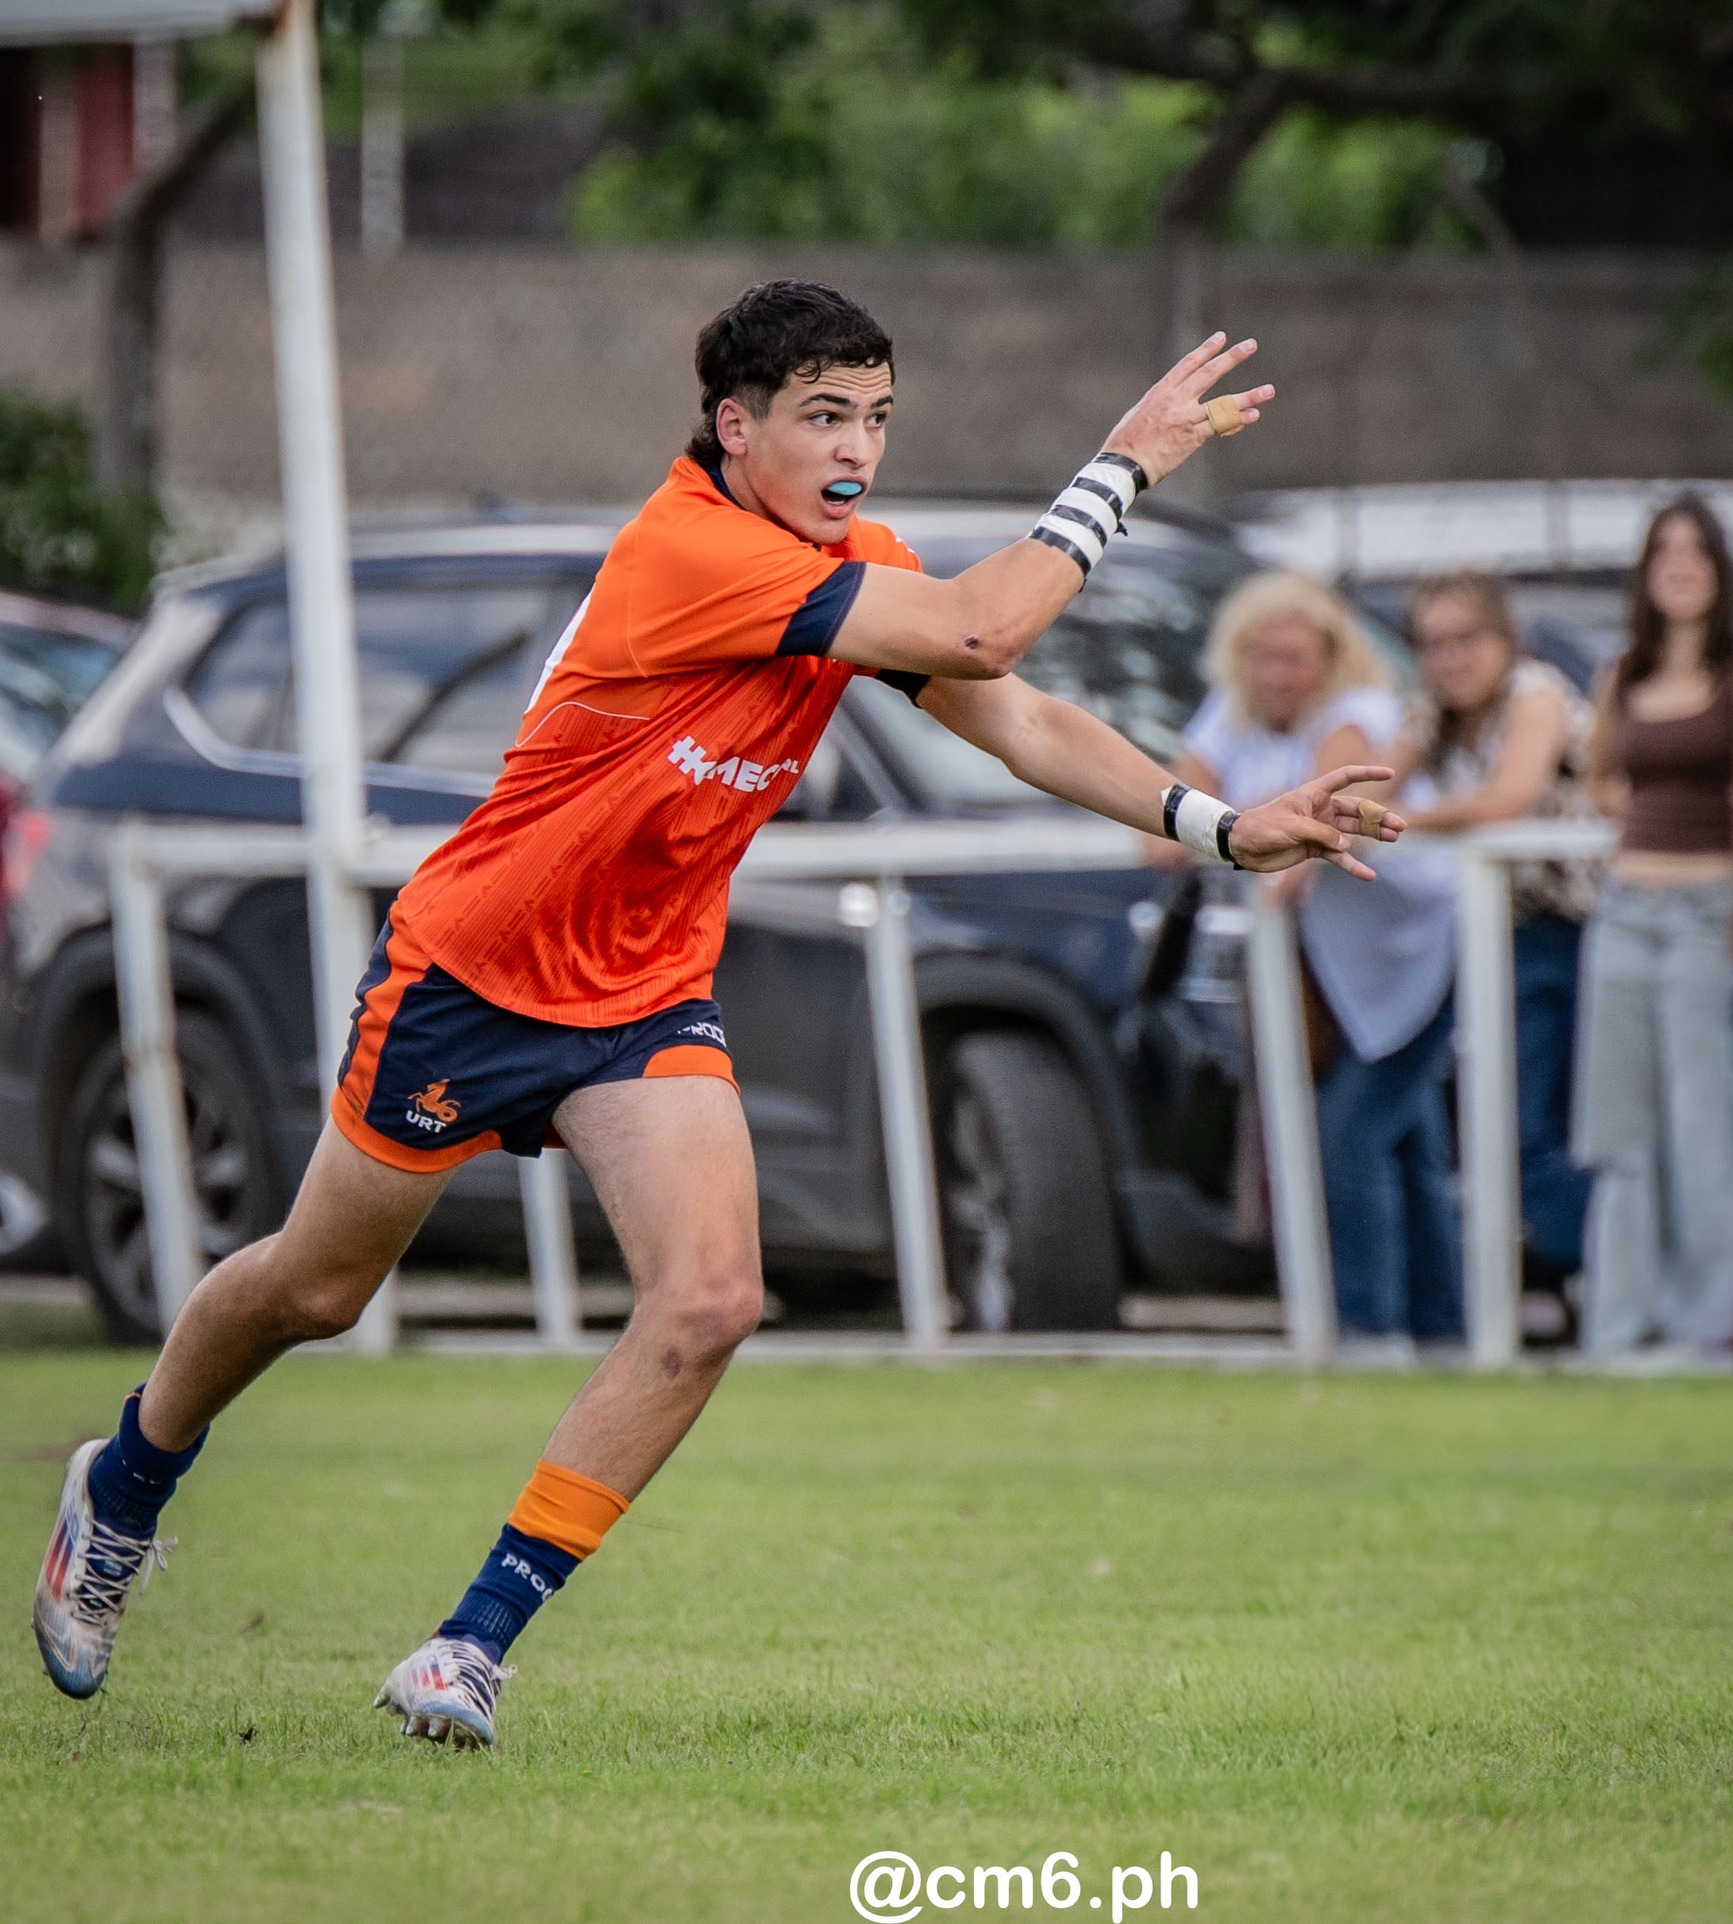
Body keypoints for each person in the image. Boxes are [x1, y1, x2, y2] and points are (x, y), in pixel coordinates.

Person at [33, 281, 1407, 1744]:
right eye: (825, 416)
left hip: (641, 992)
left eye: (877, 417)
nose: (857, 448)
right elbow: (992, 634)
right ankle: (122, 1481)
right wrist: (1119, 460)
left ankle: (468, 1647)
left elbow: (1015, 718)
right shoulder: (694, 549)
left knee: (710, 1300)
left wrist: (1216, 824)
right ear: (732, 428)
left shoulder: (853, 563)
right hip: (473, 974)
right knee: (317, 1290)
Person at [1172, 574, 1462, 1343]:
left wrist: (1256, 852)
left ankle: (1368, 1327)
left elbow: (1316, 814)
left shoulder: (1357, 716)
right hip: (1336, 972)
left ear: (1329, 658)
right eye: (1262, 657)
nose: (1276, 675)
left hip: (1414, 952)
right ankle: (1445, 1332)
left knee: (1351, 1137)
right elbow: (1161, 824)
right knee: (1406, 1142)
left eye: (1295, 658)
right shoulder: (1232, 713)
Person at [1571, 497, 1733, 1362]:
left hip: (1705, 915)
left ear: (1720, 571)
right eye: (1665, 552)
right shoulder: (1622, 672)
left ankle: (1704, 1326)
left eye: (1697, 551)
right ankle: (1617, 1329)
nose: (1680, 565)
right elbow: (1601, 778)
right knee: (1617, 1128)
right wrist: (1633, 816)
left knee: (1703, 1124)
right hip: (1624, 911)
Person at [1396, 571, 1599, 1297]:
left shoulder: (1534, 694)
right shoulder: (1437, 716)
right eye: (1434, 644)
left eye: (1466, 639)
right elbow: (1369, 782)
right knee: (1511, 1129)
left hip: (1580, 936)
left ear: (1504, 638)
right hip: (1501, 941)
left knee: (1546, 1130)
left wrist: (1404, 824)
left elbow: (1511, 799)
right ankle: (1589, 1287)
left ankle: (1608, 1281)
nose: (1452, 659)